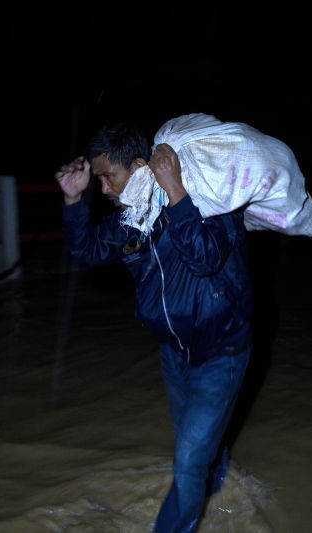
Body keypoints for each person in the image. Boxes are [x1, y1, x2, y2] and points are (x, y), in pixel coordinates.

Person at [55, 121, 254, 533]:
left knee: (186, 463)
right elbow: (85, 252)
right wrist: (73, 201)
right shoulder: (131, 220)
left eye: (109, 176)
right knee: (192, 443)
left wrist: (177, 193)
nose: (104, 188)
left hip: (222, 353)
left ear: (141, 166)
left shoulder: (207, 199)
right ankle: (218, 484)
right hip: (174, 354)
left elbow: (206, 257)